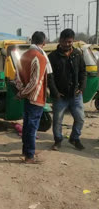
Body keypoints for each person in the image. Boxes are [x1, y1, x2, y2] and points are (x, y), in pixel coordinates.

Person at [48, 29, 86, 151]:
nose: (67, 44)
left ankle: (74, 138)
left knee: (80, 118)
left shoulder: (77, 54)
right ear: (60, 41)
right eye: (65, 42)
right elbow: (49, 77)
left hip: (75, 95)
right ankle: (58, 140)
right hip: (60, 96)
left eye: (69, 42)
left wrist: (81, 88)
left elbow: (83, 72)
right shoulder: (52, 57)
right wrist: (55, 92)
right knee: (57, 120)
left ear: (73, 41)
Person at [15, 31, 50, 164]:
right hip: (36, 98)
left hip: (27, 97)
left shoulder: (23, 55)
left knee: (27, 125)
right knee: (32, 127)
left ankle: (26, 151)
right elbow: (35, 83)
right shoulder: (39, 57)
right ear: (44, 43)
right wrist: (24, 93)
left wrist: (21, 92)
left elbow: (16, 77)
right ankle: (29, 155)